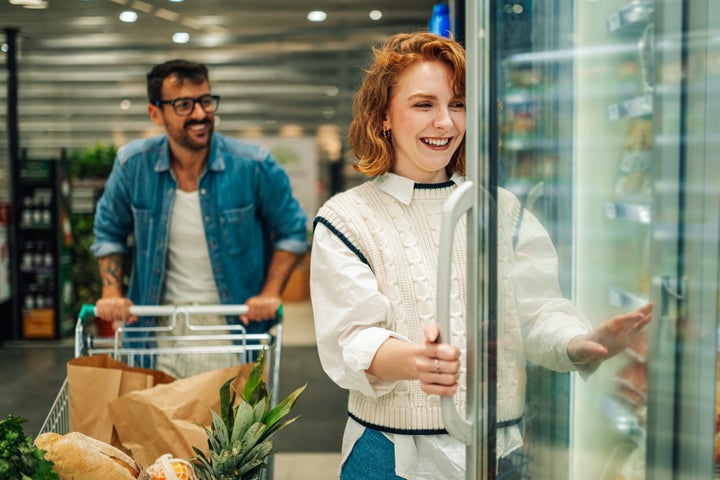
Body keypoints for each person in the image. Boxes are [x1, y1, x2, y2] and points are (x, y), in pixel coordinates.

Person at [309, 32, 653, 480]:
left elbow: (534, 314)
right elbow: (351, 337)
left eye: (457, 104)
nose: (445, 123)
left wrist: (579, 343)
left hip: (499, 453)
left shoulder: (502, 209)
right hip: (392, 454)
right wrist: (417, 361)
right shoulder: (346, 218)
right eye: (423, 105)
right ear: (383, 117)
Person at [91, 59, 308, 371]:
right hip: (157, 331)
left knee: (225, 420)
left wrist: (270, 293)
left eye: (205, 101)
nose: (200, 114)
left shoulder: (254, 165)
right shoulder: (132, 166)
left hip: (232, 331)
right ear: (155, 113)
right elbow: (109, 230)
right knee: (156, 420)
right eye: (183, 105)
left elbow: (292, 230)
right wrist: (111, 292)